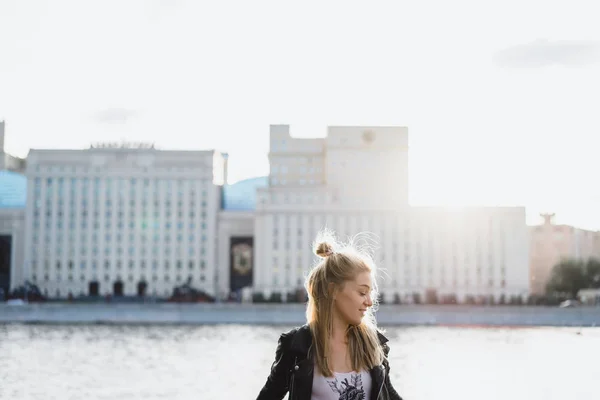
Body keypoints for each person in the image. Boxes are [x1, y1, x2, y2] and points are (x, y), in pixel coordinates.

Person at [256, 231, 403, 400]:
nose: (369, 302)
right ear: (332, 290)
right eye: (362, 292)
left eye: (370, 293)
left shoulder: (374, 344)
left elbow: (389, 394)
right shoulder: (297, 346)